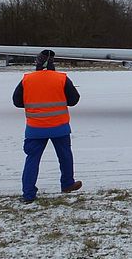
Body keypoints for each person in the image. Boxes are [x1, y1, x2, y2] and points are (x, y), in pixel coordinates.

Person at [12, 50, 82, 203]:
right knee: (65, 156)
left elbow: (17, 101)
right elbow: (74, 99)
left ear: (37, 63)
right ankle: (67, 183)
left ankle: (28, 194)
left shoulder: (27, 79)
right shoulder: (62, 78)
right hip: (59, 127)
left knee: (32, 159)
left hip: (35, 128)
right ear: (53, 64)